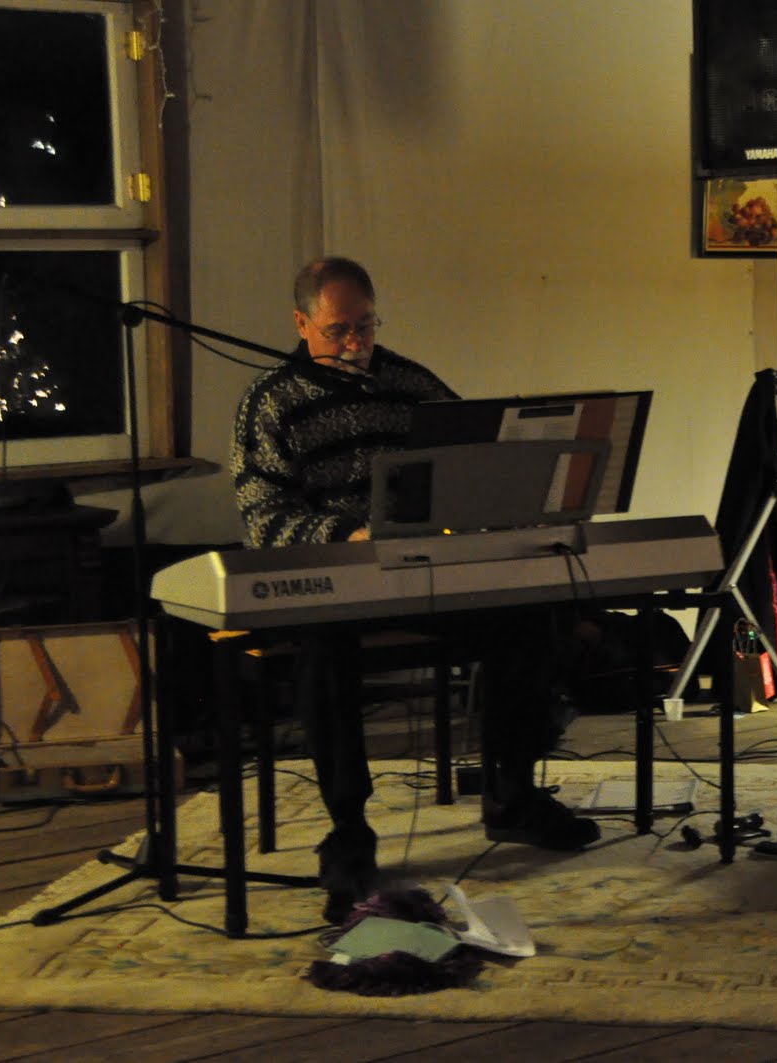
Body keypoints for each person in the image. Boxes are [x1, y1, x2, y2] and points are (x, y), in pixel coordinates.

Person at [231, 256, 600, 923]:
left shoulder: (410, 384)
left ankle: (512, 794)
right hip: (335, 581)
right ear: (301, 324)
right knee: (325, 652)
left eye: (366, 325)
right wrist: (345, 534)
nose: (355, 342)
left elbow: (476, 458)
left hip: (422, 569)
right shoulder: (271, 401)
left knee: (527, 616)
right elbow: (262, 516)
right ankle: (349, 831)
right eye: (339, 329)